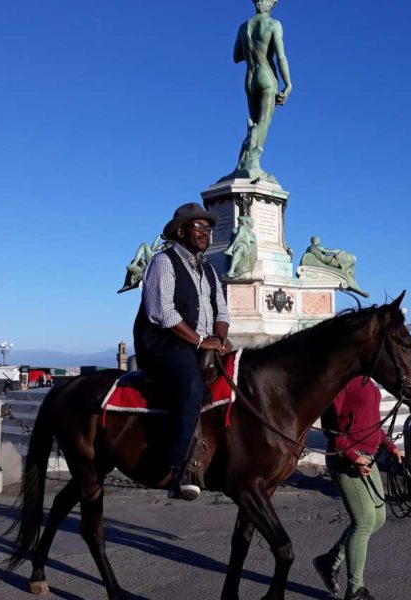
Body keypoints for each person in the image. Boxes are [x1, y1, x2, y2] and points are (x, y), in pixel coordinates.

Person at [133, 202, 233, 501]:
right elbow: (162, 312)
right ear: (180, 231)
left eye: (208, 228)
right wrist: (203, 342)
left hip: (200, 341)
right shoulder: (163, 262)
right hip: (165, 343)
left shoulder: (209, 271)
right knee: (190, 386)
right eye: (199, 227)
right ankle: (178, 469)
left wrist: (221, 337)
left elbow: (222, 310)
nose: (206, 233)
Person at [314, 378, 404, 600]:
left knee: (379, 518)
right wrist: (353, 455)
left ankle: (329, 561)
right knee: (363, 522)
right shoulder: (342, 381)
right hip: (346, 460)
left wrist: (390, 446)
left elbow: (372, 424)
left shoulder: (370, 383)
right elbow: (332, 428)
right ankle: (355, 590)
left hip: (368, 458)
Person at [221, 0, 292, 183]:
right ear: (271, 5)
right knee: (263, 123)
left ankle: (243, 165)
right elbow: (281, 56)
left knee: (253, 123)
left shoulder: (244, 27)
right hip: (266, 76)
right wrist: (288, 84)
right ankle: (252, 166)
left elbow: (236, 57)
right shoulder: (273, 24)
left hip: (250, 79)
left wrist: (250, 48)